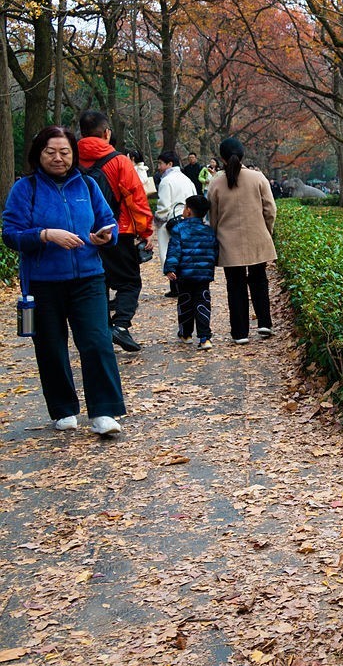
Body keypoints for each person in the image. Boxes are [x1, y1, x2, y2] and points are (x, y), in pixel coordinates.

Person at [1, 126, 126, 436]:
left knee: (97, 342)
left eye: (65, 152)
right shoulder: (25, 189)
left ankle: (105, 413)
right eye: (50, 152)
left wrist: (106, 235)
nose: (58, 158)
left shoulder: (87, 184)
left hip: (88, 278)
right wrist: (44, 235)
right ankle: (63, 409)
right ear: (38, 154)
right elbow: (10, 234)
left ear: (74, 155)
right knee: (50, 347)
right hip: (42, 282)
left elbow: (108, 222)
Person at [77, 110, 154, 353]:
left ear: (82, 133)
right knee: (129, 282)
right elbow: (135, 198)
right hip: (117, 230)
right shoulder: (119, 161)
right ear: (107, 133)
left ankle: (102, 330)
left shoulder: (69, 159)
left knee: (97, 282)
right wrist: (145, 230)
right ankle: (120, 325)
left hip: (80, 234)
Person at [207, 137, 277, 344]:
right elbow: (270, 209)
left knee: (235, 286)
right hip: (257, 237)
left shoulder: (216, 182)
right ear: (243, 154)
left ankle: (240, 333)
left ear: (222, 158)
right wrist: (267, 231)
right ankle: (264, 323)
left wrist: (215, 236)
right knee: (259, 280)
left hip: (228, 241)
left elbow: (213, 216)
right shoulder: (258, 178)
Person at [164, 195, 219, 350]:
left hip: (185, 275)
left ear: (188, 211)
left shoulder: (179, 229)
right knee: (203, 302)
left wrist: (170, 268)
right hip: (203, 275)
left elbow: (174, 250)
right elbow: (214, 251)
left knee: (185, 303)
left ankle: (186, 334)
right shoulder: (208, 230)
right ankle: (204, 338)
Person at [154, 151, 197, 298]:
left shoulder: (166, 181)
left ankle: (175, 287)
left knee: (171, 254)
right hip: (187, 219)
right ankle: (184, 287)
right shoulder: (187, 179)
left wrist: (158, 219)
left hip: (171, 222)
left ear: (170, 164)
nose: (159, 167)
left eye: (160, 163)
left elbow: (163, 206)